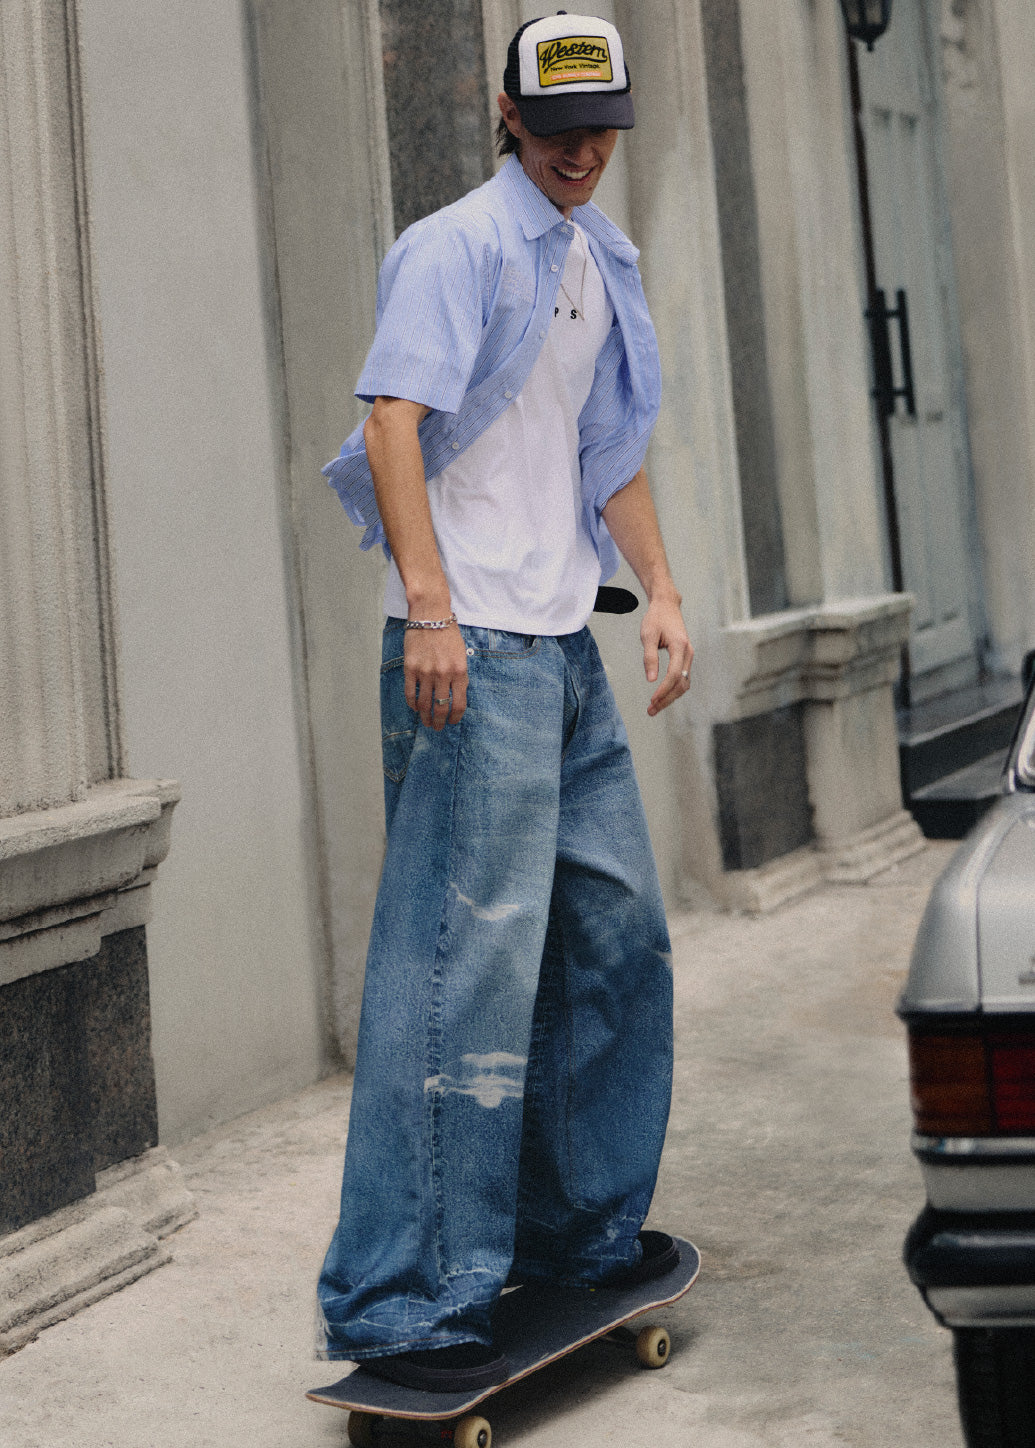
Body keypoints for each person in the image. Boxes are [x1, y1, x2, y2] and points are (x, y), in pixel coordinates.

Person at [317, 11, 693, 1394]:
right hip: (469, 644)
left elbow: (609, 446)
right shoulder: (457, 246)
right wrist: (428, 607)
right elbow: (392, 422)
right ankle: (404, 1296)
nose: (582, 152)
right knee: (457, 971)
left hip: (561, 646)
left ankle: (572, 1228)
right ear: (508, 114)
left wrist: (660, 591)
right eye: (558, 128)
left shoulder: (598, 259)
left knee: (615, 936)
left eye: (602, 130)